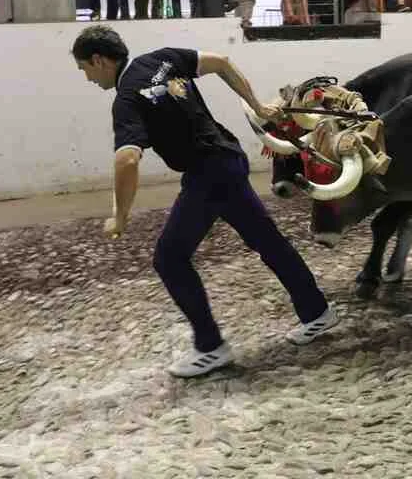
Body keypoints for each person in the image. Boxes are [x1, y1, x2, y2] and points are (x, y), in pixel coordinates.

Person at [71, 25, 337, 378]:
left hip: (208, 175)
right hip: (229, 158)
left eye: (85, 69)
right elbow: (222, 62)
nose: (88, 78)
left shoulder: (127, 100)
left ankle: (210, 346)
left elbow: (127, 160)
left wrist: (120, 216)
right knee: (267, 241)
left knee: (169, 259)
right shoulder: (162, 59)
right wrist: (258, 106)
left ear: (99, 60)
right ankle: (316, 311)